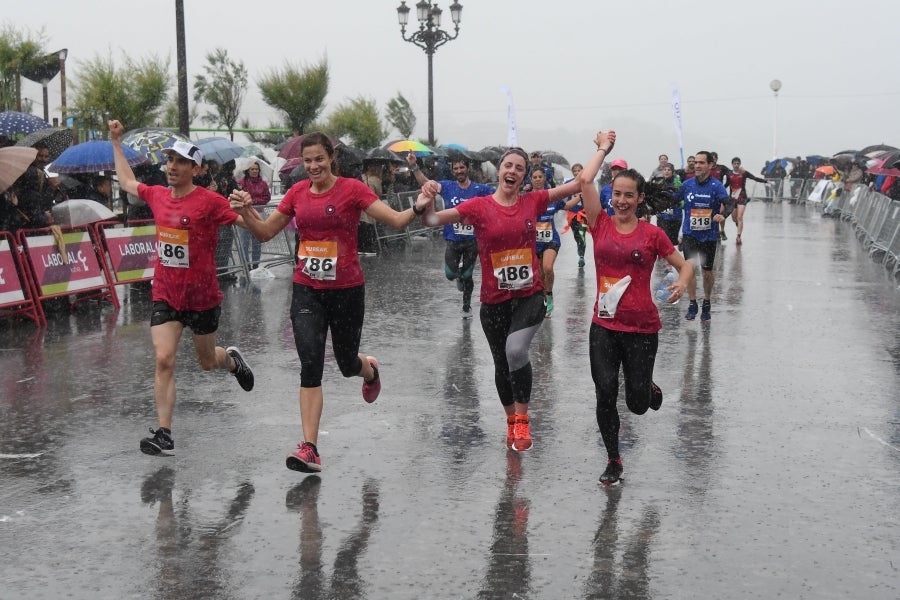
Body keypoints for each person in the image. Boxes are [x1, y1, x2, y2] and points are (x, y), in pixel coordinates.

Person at [228, 132, 432, 474]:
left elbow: (396, 220)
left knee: (346, 363)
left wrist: (417, 206)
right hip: (307, 289)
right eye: (308, 161)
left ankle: (369, 369)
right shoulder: (296, 193)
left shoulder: (352, 189)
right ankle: (310, 448)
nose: (313, 166)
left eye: (319, 159)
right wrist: (247, 212)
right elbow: (264, 233)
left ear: (330, 159)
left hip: (346, 291)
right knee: (310, 363)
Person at [415, 146, 589, 453]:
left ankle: (522, 420)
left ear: (524, 176)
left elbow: (580, 183)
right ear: (499, 170)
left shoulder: (533, 200)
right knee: (501, 363)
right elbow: (431, 220)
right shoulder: (478, 206)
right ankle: (511, 420)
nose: (513, 171)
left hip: (529, 296)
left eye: (519, 168)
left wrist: (601, 149)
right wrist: (424, 200)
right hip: (494, 301)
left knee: (516, 350)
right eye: (508, 165)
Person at [108, 119, 255, 457]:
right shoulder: (157, 195)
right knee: (163, 359)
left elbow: (253, 226)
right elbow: (127, 181)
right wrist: (115, 142)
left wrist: (246, 208)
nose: (172, 167)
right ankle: (164, 433)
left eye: (180, 162)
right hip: (166, 294)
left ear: (195, 169)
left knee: (207, 361)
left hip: (202, 297)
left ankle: (232, 361)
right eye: (169, 161)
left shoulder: (210, 202)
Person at [579, 130, 693, 486]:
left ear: (640, 198)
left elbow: (685, 265)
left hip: (642, 328)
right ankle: (614, 459)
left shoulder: (652, 234)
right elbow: (585, 181)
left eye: (629, 195)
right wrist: (603, 149)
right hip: (603, 326)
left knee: (638, 405)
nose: (622, 200)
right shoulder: (599, 223)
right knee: (605, 391)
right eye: (617, 194)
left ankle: (647, 388)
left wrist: (682, 282)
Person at [407, 152, 495, 318]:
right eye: (456, 168)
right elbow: (427, 184)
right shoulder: (447, 186)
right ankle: (459, 276)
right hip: (453, 240)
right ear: (453, 170)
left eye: (462, 167)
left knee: (467, 275)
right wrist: (414, 166)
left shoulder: (480, 189)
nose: (459, 171)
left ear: (467, 168)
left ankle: (466, 307)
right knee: (450, 275)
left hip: (472, 241)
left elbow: (499, 195)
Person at [677, 151, 728, 322]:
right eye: (696, 162)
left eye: (701, 162)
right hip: (690, 234)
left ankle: (706, 300)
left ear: (710, 165)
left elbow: (729, 203)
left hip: (709, 236)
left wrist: (723, 214)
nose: (697, 165)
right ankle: (692, 303)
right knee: (689, 269)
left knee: (707, 273)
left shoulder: (716, 186)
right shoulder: (687, 185)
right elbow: (672, 199)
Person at [531, 167, 581, 318]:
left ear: (544, 178)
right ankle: (543, 298)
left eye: (540, 176)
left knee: (547, 268)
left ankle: (549, 296)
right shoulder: (527, 198)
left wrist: (579, 197)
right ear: (531, 180)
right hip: (534, 242)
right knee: (540, 273)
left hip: (551, 240)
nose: (538, 179)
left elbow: (566, 206)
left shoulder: (551, 196)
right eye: (535, 177)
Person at [236, 160, 271, 269]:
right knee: (244, 242)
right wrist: (249, 202)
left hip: (258, 215)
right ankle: (246, 265)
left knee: (257, 241)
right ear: (248, 170)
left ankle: (256, 264)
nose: (254, 171)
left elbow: (267, 197)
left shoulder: (263, 183)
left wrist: (253, 201)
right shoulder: (242, 182)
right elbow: (239, 197)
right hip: (244, 215)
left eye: (256, 169)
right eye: (252, 169)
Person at [724, 157, 766, 245]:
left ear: (740, 164)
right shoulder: (729, 174)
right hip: (733, 199)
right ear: (732, 164)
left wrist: (766, 181)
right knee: (734, 218)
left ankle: (738, 236)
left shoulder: (744, 173)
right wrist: (718, 190)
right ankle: (737, 223)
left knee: (740, 217)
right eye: (734, 163)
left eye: (738, 163)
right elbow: (727, 184)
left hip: (742, 197)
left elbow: (755, 178)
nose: (736, 165)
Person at [653, 163, 683, 247]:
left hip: (674, 217)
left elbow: (678, 197)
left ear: (672, 172)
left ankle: (680, 241)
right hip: (662, 216)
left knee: (672, 242)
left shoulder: (677, 183)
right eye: (665, 170)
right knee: (662, 239)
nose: (666, 171)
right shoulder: (659, 182)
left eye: (669, 170)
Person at [564, 163, 588, 268]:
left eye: (579, 170)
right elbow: (564, 198)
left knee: (582, 233)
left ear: (582, 171)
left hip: (583, 214)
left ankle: (581, 256)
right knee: (577, 235)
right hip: (572, 214)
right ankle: (580, 250)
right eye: (575, 171)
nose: (577, 172)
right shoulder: (568, 184)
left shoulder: (587, 183)